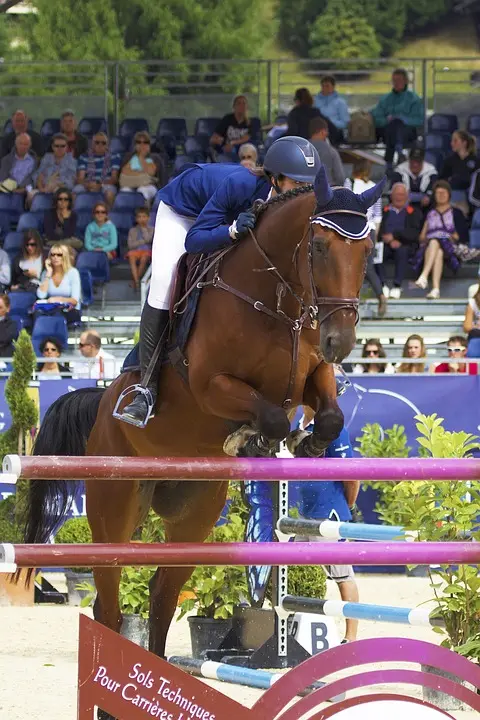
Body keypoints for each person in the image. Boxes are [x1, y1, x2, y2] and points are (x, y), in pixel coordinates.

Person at [117, 136, 323, 427]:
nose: (304, 191)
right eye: (296, 183)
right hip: (184, 214)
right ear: (274, 179)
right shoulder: (241, 185)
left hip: (220, 217)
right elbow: (195, 239)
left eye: (309, 184)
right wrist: (231, 231)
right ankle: (146, 390)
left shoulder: (291, 204)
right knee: (163, 285)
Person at [293, 396, 360, 644]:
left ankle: (351, 637)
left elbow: (352, 475)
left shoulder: (334, 427)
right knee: (287, 565)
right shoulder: (301, 424)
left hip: (329, 511)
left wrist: (347, 507)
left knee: (343, 576)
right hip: (305, 510)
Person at [414, 180, 469, 299]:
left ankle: (424, 275)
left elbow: (461, 237)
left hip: (450, 247)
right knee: (436, 248)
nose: (441, 195)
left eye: (443, 193)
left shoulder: (456, 213)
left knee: (436, 241)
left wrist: (446, 235)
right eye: (438, 193)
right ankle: (435, 289)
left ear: (449, 194)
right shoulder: (429, 213)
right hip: (430, 248)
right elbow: (421, 237)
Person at [344, 159, 386, 315]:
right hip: (369, 229)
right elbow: (378, 216)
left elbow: (345, 205)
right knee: (366, 266)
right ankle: (379, 296)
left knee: (359, 265)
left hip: (356, 228)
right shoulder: (374, 187)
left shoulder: (350, 183)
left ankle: (358, 298)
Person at [376, 182, 423, 299]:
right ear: (391, 196)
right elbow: (378, 230)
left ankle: (397, 286)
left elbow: (415, 233)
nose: (399, 197)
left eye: (402, 195)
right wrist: (389, 240)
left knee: (402, 251)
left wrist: (396, 237)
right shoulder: (384, 211)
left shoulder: (414, 212)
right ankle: (382, 285)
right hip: (386, 244)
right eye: (396, 194)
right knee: (376, 252)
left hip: (405, 245)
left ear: (407, 196)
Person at [371, 68, 423, 167]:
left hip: (407, 132)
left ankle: (389, 162)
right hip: (387, 131)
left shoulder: (413, 99)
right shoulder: (385, 99)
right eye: (394, 80)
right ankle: (399, 151)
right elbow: (377, 118)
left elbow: (419, 120)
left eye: (399, 80)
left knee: (397, 124)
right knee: (393, 125)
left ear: (406, 81)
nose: (396, 83)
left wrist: (404, 120)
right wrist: (387, 120)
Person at [36, 243, 82, 324]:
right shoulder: (46, 273)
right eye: (53, 255)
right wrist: (48, 274)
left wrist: (58, 300)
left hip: (70, 310)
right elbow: (41, 295)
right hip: (51, 309)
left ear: (65, 256)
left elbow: (75, 300)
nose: (55, 257)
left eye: (59, 255)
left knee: (56, 314)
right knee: (37, 313)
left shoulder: (73, 272)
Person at [74, 132, 121, 207]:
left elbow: (114, 178)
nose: (100, 145)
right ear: (92, 144)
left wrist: (100, 185)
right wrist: (87, 185)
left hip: (106, 183)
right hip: (87, 183)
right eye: (97, 142)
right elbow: (80, 178)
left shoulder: (114, 156)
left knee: (109, 194)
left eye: (103, 143)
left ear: (107, 145)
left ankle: (109, 216)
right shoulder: (84, 157)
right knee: (74, 193)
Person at [28, 133, 77, 205]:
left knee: (58, 192)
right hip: (44, 188)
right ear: (52, 147)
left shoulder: (72, 161)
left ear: (67, 147)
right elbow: (38, 175)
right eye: (57, 146)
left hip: (62, 190)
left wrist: (55, 184)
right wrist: (43, 188)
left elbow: (71, 182)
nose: (59, 148)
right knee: (31, 194)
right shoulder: (47, 157)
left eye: (62, 146)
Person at [438, 131, 480, 214]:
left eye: (455, 141)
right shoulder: (449, 161)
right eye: (451, 141)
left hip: (470, 195)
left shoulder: (475, 161)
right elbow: (441, 180)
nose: (452, 143)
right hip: (452, 194)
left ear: (464, 143)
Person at [119, 131, 162, 204]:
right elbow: (124, 172)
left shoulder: (154, 157)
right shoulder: (129, 157)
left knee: (141, 191)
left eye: (145, 142)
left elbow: (150, 172)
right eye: (139, 142)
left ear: (149, 144)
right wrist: (141, 174)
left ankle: (143, 214)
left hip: (149, 186)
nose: (142, 145)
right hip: (131, 184)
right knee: (125, 191)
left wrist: (142, 156)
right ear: (135, 145)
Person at [391, 147, 437, 213]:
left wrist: (429, 197)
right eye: (413, 161)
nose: (415, 164)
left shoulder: (431, 171)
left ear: (423, 161)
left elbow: (434, 189)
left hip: (425, 207)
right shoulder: (399, 171)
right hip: (404, 206)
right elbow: (394, 190)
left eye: (418, 161)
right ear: (409, 160)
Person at [210, 95, 253, 161]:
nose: (242, 106)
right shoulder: (227, 119)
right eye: (239, 103)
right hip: (226, 150)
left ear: (247, 106)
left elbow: (246, 138)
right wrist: (219, 142)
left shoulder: (250, 123)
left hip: (243, 152)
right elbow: (214, 138)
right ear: (234, 106)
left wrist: (232, 143)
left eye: (244, 103)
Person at [313, 75, 350, 146]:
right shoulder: (315, 101)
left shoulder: (340, 102)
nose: (324, 88)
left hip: (334, 133)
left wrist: (329, 124)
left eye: (327, 86)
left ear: (333, 87)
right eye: (323, 86)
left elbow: (345, 123)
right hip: (317, 133)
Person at [310, 117, 345, 187]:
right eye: (327, 131)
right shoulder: (331, 151)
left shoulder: (300, 149)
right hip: (327, 192)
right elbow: (340, 178)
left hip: (304, 193)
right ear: (323, 131)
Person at [126, 207, 154, 291]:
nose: (142, 219)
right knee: (131, 256)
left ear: (148, 218)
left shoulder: (151, 229)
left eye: (144, 216)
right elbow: (131, 245)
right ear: (136, 219)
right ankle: (137, 280)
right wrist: (143, 241)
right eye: (139, 217)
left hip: (147, 251)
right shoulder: (132, 230)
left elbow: (148, 239)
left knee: (144, 257)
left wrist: (143, 229)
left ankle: (136, 281)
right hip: (135, 251)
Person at [0, 294, 17, 359]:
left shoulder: (12, 324)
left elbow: (3, 339)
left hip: (4, 358)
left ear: (7, 309)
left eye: (0, 307)